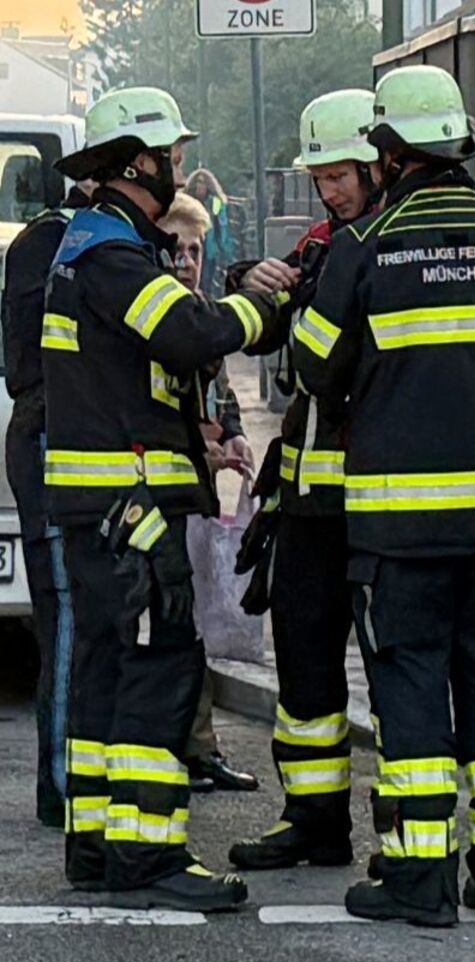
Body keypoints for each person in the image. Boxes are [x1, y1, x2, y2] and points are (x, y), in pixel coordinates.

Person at [291, 66, 475, 927]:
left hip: (400, 530)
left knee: (410, 689)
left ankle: (420, 881)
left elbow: (310, 364)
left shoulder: (366, 248)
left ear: (387, 149)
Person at [43, 86, 282, 911]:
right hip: (130, 509)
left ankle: (99, 846)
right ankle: (147, 857)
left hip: (104, 510)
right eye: (172, 155)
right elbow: (187, 334)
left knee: (108, 669)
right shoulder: (111, 253)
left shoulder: (93, 247)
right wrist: (264, 303)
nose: (179, 167)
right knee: (158, 663)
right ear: (139, 161)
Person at [224, 88, 384, 871]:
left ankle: (410, 840)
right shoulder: (324, 247)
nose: (331, 190)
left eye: (343, 173)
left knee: (398, 675)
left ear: (382, 159)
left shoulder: (396, 246)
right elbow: (283, 329)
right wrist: (246, 276)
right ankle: (315, 821)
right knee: (306, 667)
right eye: (321, 176)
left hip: (387, 502)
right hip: (311, 503)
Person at [155, 192, 263, 796]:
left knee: (194, 629)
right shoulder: (157, 318)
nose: (187, 261)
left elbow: (221, 396)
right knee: (171, 631)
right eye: (176, 249)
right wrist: (201, 444)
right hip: (160, 498)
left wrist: (239, 437)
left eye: (195, 250)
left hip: (196, 495)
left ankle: (201, 749)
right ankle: (180, 750)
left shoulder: (201, 315)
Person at [3, 178, 90, 829]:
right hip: (49, 436)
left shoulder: (43, 242)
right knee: (63, 613)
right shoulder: (64, 244)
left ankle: (71, 773)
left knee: (69, 615)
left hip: (46, 435)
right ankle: (61, 781)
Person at [184, 169, 237, 295]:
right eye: (197, 182)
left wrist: (226, 250)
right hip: (190, 246)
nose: (199, 185)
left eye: (202, 182)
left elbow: (222, 225)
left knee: (206, 282)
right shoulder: (187, 201)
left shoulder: (215, 202)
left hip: (209, 248)